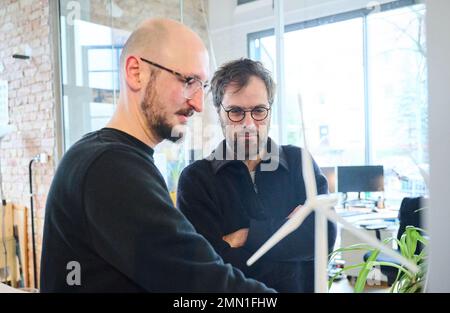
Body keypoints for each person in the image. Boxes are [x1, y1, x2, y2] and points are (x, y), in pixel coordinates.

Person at [40, 19, 274, 293]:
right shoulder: (110, 167)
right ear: (135, 72)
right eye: (188, 81)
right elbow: (201, 282)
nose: (198, 104)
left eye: (202, 86)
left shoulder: (115, 159)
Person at [177, 58, 337, 292]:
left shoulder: (299, 163)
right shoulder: (197, 180)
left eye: (259, 111)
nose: (249, 124)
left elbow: (323, 239)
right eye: (236, 112)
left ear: (269, 109)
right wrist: (291, 240)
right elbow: (206, 270)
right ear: (219, 112)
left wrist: (247, 236)